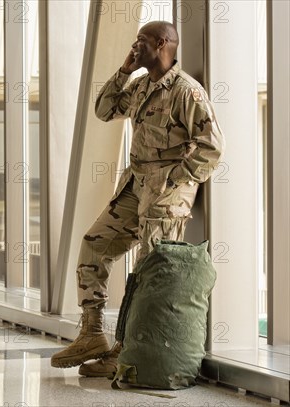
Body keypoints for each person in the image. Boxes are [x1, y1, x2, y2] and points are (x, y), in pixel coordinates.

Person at [50, 21, 225, 377]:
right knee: (94, 245)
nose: (135, 46)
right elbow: (103, 109)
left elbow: (212, 148)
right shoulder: (141, 85)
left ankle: (124, 352)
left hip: (164, 194)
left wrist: (173, 181)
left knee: (147, 270)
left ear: (162, 43)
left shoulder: (186, 92)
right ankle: (92, 333)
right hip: (134, 185)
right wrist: (123, 70)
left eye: (141, 41)